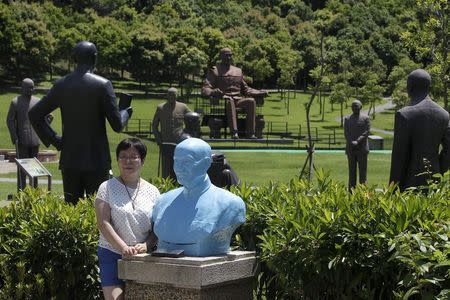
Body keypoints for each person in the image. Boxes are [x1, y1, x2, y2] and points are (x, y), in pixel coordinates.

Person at [29, 41, 132, 204]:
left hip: (70, 159)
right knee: (98, 212)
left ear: (75, 59)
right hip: (97, 160)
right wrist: (126, 112)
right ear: (94, 58)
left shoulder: (62, 85)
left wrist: (55, 139)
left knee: (71, 212)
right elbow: (117, 125)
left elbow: (34, 114)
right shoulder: (102, 85)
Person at [152, 138, 246, 257]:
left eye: (187, 161)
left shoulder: (231, 203)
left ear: (206, 163)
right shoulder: (163, 200)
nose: (179, 168)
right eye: (176, 161)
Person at [95, 138, 160, 300]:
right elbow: (103, 223)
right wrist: (123, 247)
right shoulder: (106, 187)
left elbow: (157, 228)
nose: (128, 161)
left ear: (142, 161)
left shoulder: (153, 192)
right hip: (111, 254)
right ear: (117, 160)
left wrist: (146, 245)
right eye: (123, 156)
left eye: (134, 156)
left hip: (142, 257)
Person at [389, 69, 450, 191]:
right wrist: (439, 169)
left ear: (410, 87)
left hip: (408, 183)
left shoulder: (404, 115)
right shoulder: (444, 115)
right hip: (434, 181)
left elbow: (399, 156)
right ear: (429, 87)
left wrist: (393, 188)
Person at [202, 48, 267, 139]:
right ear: (220, 56)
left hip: (237, 100)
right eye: (226, 55)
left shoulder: (238, 71)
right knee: (230, 101)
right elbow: (205, 88)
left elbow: (246, 89)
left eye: (230, 55)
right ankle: (234, 133)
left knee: (251, 101)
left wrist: (260, 92)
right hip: (222, 100)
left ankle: (251, 133)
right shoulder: (215, 70)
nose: (228, 57)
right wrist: (213, 91)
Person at [6, 78, 48, 190]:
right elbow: (10, 120)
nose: (31, 89)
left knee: (35, 169)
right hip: (21, 141)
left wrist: (42, 129)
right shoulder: (16, 102)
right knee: (22, 169)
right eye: (28, 87)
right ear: (22, 88)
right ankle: (22, 192)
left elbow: (48, 116)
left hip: (35, 140)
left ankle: (34, 192)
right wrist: (14, 136)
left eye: (32, 87)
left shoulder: (38, 101)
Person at [151, 87, 190, 180]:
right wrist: (158, 139)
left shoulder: (183, 107)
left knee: (179, 166)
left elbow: (192, 119)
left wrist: (186, 136)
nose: (172, 97)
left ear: (177, 95)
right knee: (166, 168)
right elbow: (154, 125)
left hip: (179, 143)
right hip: (165, 143)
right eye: (170, 95)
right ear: (167, 96)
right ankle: (165, 186)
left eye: (174, 95)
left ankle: (178, 184)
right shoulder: (161, 108)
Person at [344, 100, 370, 191]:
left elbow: (366, 132)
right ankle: (351, 194)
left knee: (363, 174)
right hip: (351, 149)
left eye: (356, 106)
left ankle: (363, 195)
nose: (354, 107)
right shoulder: (347, 119)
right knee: (352, 173)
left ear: (361, 107)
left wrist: (357, 141)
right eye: (353, 106)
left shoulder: (365, 118)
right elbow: (346, 133)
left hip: (362, 149)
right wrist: (351, 142)